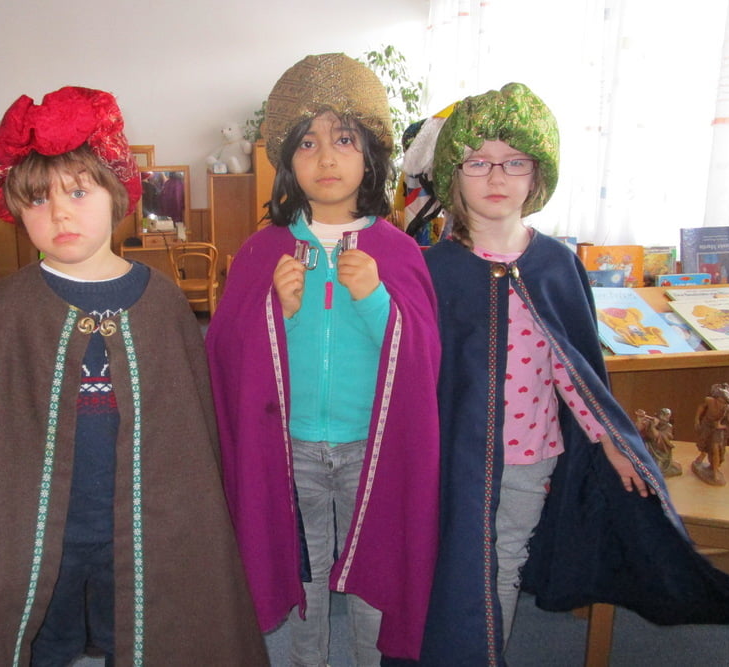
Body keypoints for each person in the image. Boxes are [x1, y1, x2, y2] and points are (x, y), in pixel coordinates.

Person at [386, 82, 729, 666]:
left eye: (514, 162)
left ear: (537, 175)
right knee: (451, 562)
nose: (497, 176)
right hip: (452, 456)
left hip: (531, 453)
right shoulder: (433, 269)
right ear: (454, 175)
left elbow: (575, 369)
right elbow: (411, 371)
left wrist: (611, 440)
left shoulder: (555, 264)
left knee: (503, 560)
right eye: (478, 162)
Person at [0, 86, 268, 666]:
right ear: (14, 209)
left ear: (116, 193)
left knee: (151, 640)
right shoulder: (5, 309)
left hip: (147, 535)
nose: (59, 212)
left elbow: (191, 442)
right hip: (38, 538)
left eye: (77, 191)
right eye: (37, 198)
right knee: (38, 645)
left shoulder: (162, 302)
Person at [206, 53, 442, 666]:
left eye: (344, 140)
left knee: (373, 575)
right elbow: (227, 354)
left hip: (372, 447)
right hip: (295, 446)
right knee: (305, 577)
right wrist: (277, 314)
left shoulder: (398, 252)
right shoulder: (264, 251)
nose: (327, 158)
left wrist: (376, 299)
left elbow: (422, 359)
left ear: (370, 155)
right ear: (288, 161)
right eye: (308, 143)